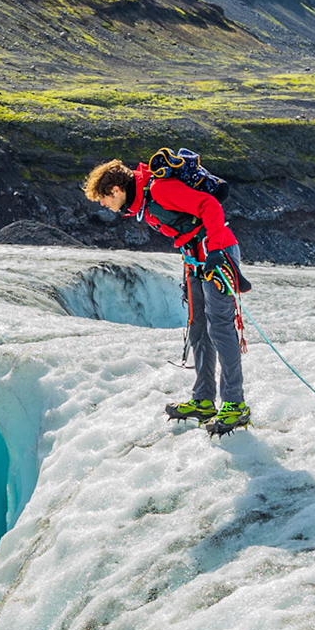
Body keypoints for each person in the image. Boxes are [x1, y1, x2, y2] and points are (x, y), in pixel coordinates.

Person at [82, 152, 253, 432]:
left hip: (216, 254)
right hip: (196, 259)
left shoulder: (159, 189)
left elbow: (209, 206)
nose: (103, 204)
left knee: (220, 327)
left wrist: (217, 249)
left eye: (103, 198)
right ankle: (204, 400)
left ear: (116, 190)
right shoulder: (143, 200)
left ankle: (235, 405)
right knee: (198, 329)